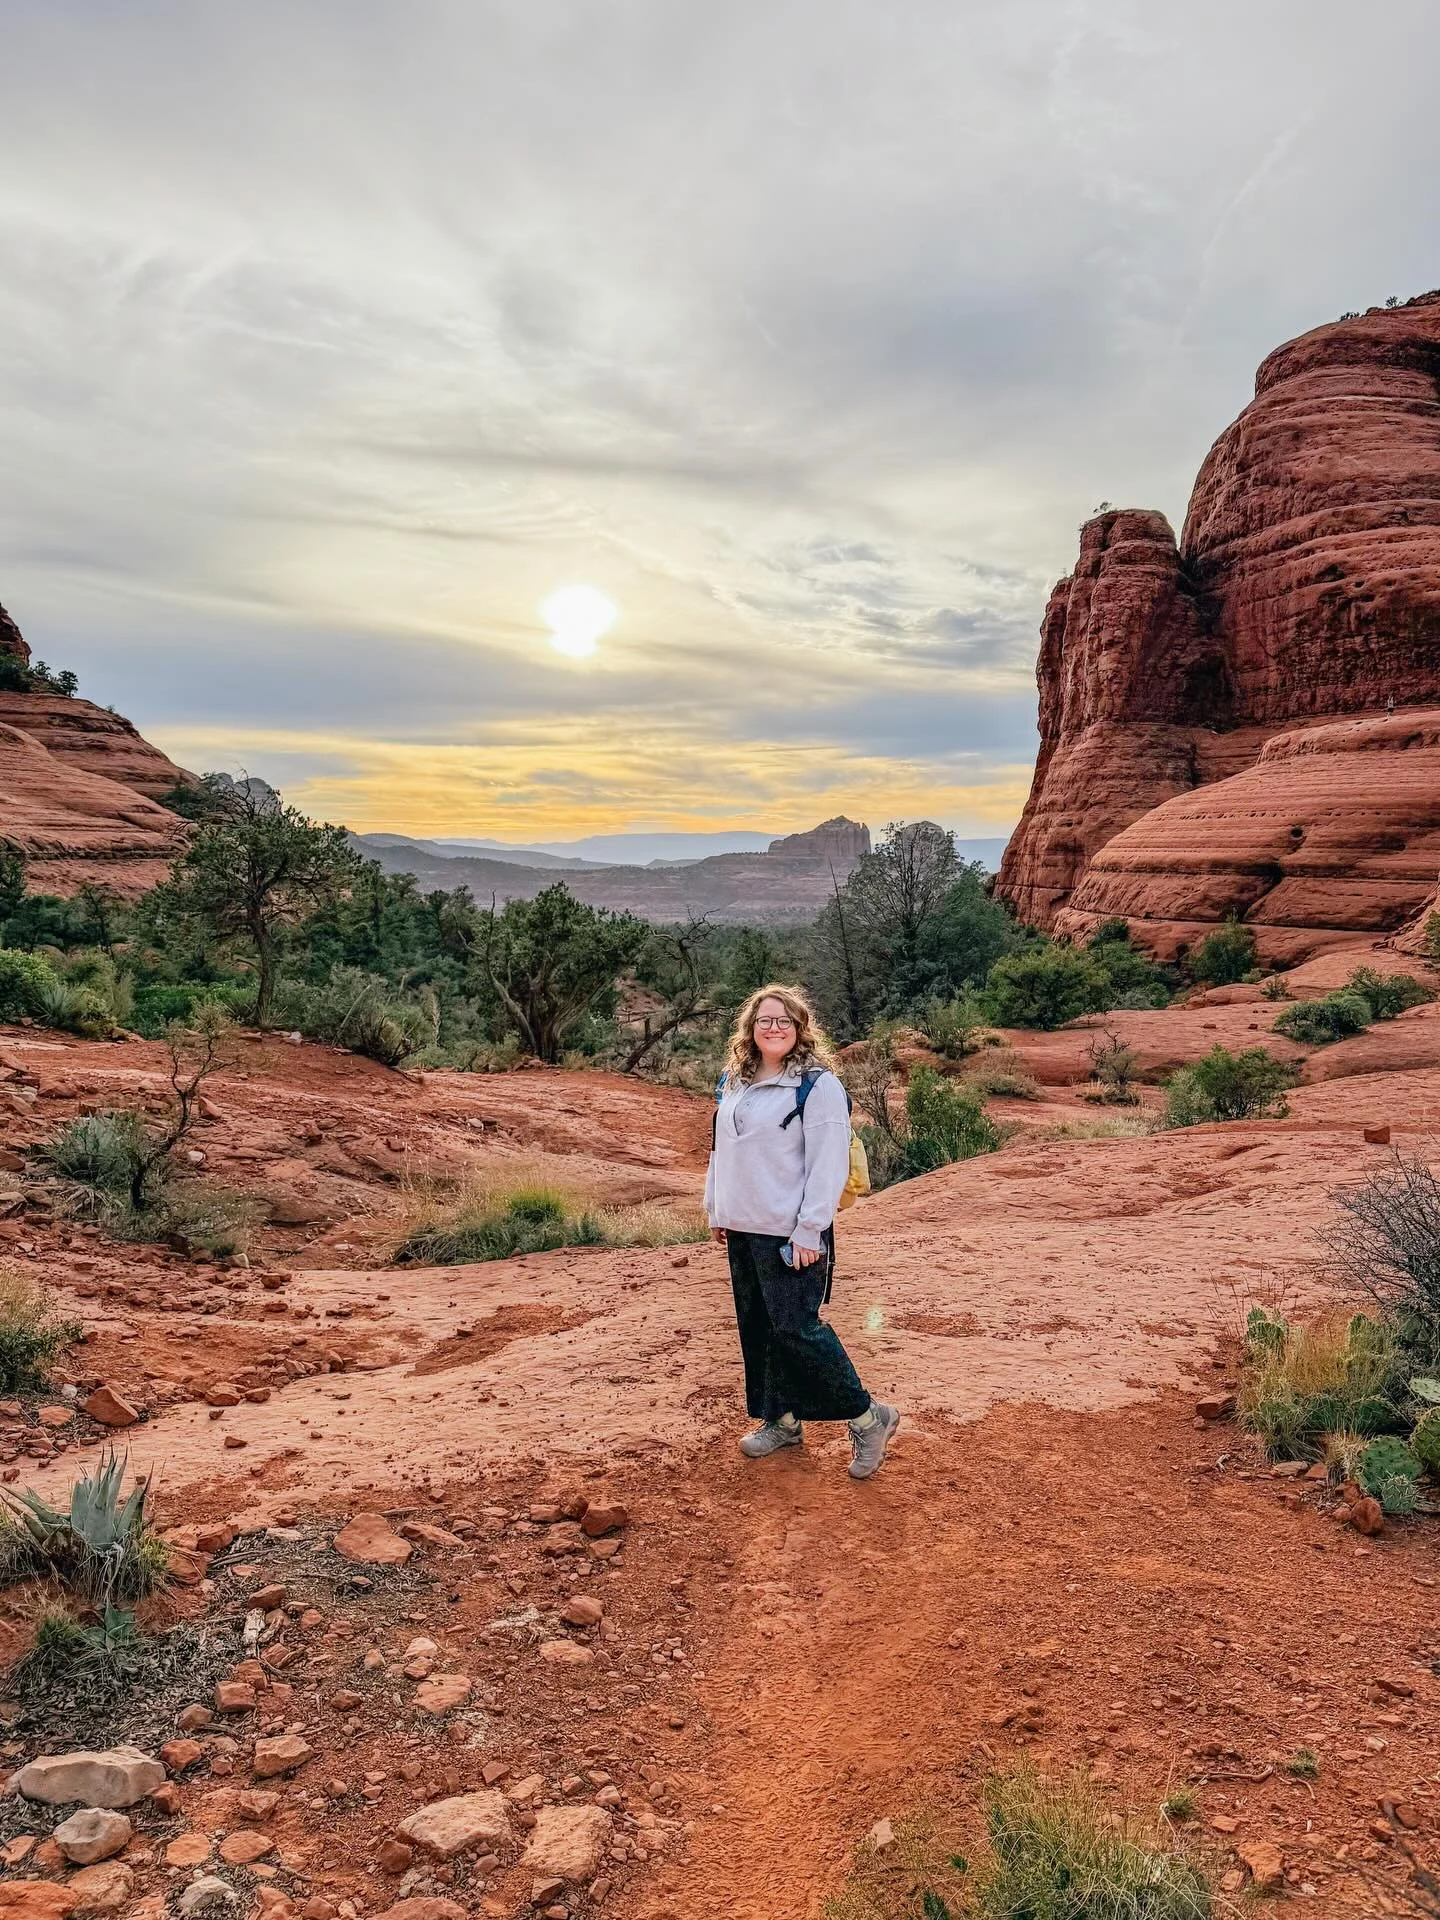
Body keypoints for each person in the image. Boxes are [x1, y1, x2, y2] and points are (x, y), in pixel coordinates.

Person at [704, 982, 899, 1480]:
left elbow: (828, 1165)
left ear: (800, 1029)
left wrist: (811, 1230)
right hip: (743, 1227)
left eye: (784, 1021)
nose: (773, 1028)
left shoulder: (817, 1085)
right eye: (764, 1020)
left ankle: (867, 1417)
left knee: (798, 1329)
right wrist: (717, 1209)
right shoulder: (735, 1081)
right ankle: (784, 1420)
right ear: (750, 1028)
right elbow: (721, 1151)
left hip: (790, 1233)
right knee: (761, 1330)